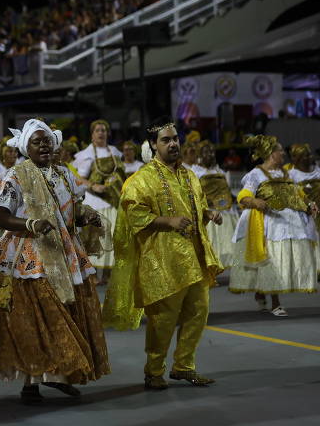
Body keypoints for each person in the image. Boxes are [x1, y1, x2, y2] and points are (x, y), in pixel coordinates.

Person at [0, 119, 109, 403]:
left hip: (63, 251)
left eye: (46, 141)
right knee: (34, 320)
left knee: (68, 313)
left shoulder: (64, 175)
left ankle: (62, 373)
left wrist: (85, 215)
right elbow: (0, 216)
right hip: (28, 257)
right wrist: (30, 223)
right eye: (36, 142)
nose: (43, 145)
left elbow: (70, 210)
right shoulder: (16, 176)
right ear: (25, 147)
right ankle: (32, 382)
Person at [103, 119, 223, 390]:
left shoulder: (190, 175)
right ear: (153, 145)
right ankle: (154, 371)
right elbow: (134, 213)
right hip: (162, 260)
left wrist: (208, 213)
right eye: (166, 140)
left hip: (194, 258)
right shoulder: (141, 180)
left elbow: (198, 205)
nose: (173, 144)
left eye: (175, 139)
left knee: (199, 311)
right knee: (163, 319)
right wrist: (167, 221)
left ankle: (184, 366)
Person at [229, 136, 318, 316]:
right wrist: (255, 201)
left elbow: (298, 194)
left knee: (277, 262)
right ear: (270, 154)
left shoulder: (286, 173)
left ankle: (261, 292)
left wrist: (309, 205)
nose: (283, 153)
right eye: (280, 150)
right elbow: (242, 196)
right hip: (269, 224)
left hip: (289, 224)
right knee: (273, 262)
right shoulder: (256, 174)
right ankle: (275, 303)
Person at [73, 120, 125, 278]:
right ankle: (93, 275)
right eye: (97, 130)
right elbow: (79, 178)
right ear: (92, 134)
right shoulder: (87, 154)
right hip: (96, 200)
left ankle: (109, 275)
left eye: (103, 130)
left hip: (114, 199)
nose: (101, 133)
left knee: (113, 236)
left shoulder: (115, 152)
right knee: (95, 238)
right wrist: (94, 186)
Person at [191, 141, 238, 269]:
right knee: (211, 244)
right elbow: (193, 194)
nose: (210, 155)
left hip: (227, 212)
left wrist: (234, 198)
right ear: (200, 154)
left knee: (227, 245)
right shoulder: (195, 172)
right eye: (206, 152)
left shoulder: (219, 170)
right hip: (209, 214)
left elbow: (226, 189)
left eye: (212, 151)